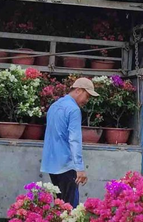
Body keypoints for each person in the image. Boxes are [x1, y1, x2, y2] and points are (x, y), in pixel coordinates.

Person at [41, 78, 99, 206]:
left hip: (52, 163)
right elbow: (74, 139)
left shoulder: (54, 106)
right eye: (87, 96)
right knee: (70, 207)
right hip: (67, 164)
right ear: (78, 90)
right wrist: (79, 167)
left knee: (59, 203)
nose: (87, 100)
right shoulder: (73, 109)